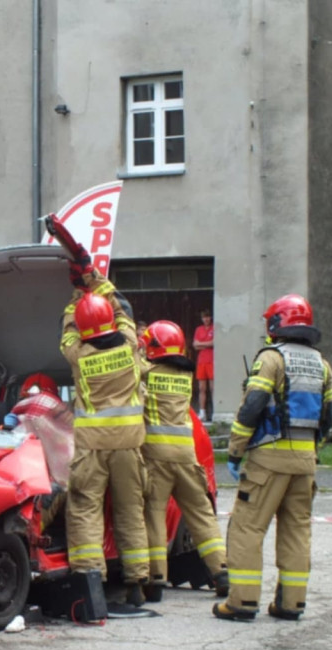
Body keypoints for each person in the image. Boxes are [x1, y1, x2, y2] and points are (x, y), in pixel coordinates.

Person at [213, 294, 332, 622]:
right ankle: (291, 603)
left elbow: (252, 406)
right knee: (296, 530)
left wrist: (236, 449)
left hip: (267, 462)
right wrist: (310, 449)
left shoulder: (271, 358)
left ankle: (242, 602)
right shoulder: (322, 365)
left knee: (247, 528)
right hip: (305, 462)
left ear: (277, 324)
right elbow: (327, 417)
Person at [59, 249, 151, 614]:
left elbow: (67, 333)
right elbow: (124, 311)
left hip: (92, 446)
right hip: (130, 445)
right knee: (131, 510)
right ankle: (138, 583)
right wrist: (96, 281)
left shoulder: (78, 354)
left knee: (85, 509)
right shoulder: (130, 347)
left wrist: (75, 297)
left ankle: (90, 582)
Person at [138, 320, 228, 602]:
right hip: (187, 457)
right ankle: (221, 571)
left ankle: (155, 579)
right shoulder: (184, 377)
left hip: (158, 457)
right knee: (201, 513)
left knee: (154, 514)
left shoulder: (148, 373)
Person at [193, 308, 214, 422]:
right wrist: (207, 344)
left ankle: (215, 411)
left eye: (207, 317)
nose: (206, 319)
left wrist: (202, 344)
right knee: (202, 388)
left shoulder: (214, 328)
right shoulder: (198, 329)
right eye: (204, 317)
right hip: (201, 361)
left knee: (212, 388)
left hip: (211, 360)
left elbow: (214, 342)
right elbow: (195, 345)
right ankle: (202, 412)